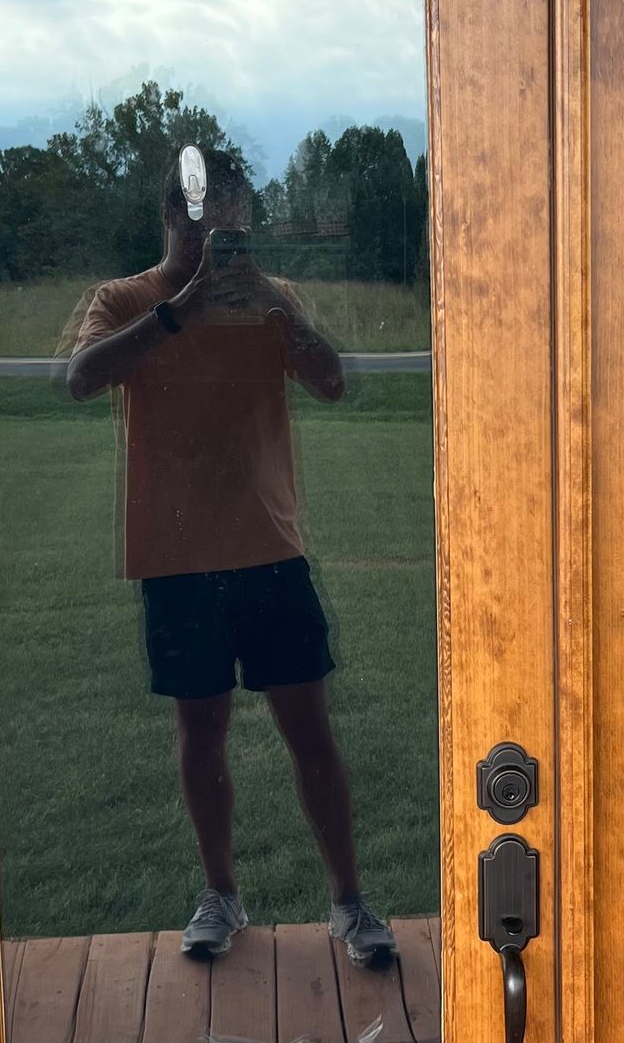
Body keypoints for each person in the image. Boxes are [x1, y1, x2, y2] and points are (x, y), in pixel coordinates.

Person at [66, 147, 399, 969]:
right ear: (171, 219)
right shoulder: (125, 298)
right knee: (200, 732)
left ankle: (350, 904)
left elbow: (332, 383)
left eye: (234, 217)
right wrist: (179, 311)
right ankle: (222, 895)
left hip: (269, 548)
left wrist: (287, 323)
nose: (221, 231)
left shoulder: (272, 300)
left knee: (310, 732)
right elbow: (80, 378)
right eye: (203, 215)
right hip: (176, 558)